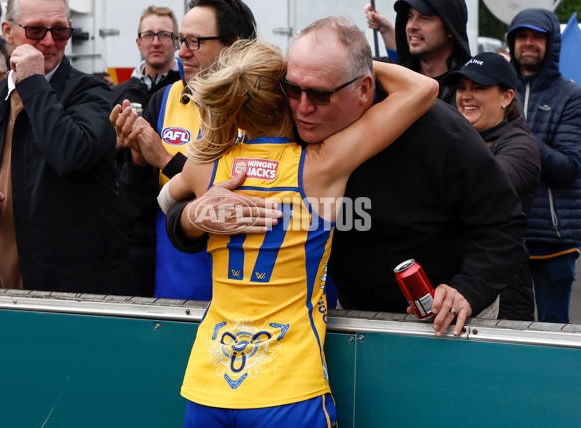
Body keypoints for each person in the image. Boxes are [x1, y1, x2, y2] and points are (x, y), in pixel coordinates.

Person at [166, 16, 528, 337]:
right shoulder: (286, 123)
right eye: (293, 89)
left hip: (445, 320)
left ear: (365, 89)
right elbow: (181, 210)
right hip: (346, 318)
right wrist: (192, 220)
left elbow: (503, 222)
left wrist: (468, 288)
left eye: (321, 95)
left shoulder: (438, 132)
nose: (303, 108)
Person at [152, 27, 437, 425]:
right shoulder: (320, 165)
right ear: (283, 99)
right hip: (287, 384)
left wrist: (197, 213)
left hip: (209, 381)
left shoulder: (207, 166)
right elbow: (421, 89)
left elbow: (165, 201)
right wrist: (346, 66)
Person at [110, 0, 257, 300]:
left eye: (194, 42)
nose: (181, 52)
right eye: (181, 40)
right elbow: (137, 210)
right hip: (174, 290)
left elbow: (244, 202)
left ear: (235, 47)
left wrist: (166, 160)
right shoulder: (164, 99)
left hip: (246, 295)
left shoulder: (262, 111)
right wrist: (137, 159)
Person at [0, 0, 131, 294]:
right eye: (36, 31)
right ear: (7, 32)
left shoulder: (94, 92)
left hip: (68, 290)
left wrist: (34, 81)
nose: (49, 42)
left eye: (61, 31)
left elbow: (69, 155)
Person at [445, 52, 541, 320]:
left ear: (506, 97)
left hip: (503, 288)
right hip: (457, 284)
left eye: (479, 88)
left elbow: (481, 189)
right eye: (462, 88)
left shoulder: (522, 146)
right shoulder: (457, 137)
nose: (466, 96)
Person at [507, 8, 581, 323]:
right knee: (506, 334)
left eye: (537, 36)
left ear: (551, 43)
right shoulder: (495, 90)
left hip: (553, 241)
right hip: (505, 237)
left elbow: (568, 167)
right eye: (522, 36)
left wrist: (518, 134)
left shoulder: (571, 95)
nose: (528, 43)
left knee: (553, 341)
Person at [111, 5, 183, 297]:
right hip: (130, 230)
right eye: (149, 34)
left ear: (177, 41)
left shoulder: (187, 93)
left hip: (177, 225)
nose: (156, 41)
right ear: (138, 42)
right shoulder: (117, 94)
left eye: (164, 34)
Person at [365, 0, 471, 105]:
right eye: (410, 17)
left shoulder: (472, 85)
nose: (412, 26)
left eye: (425, 18)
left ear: (450, 29)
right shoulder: (395, 83)